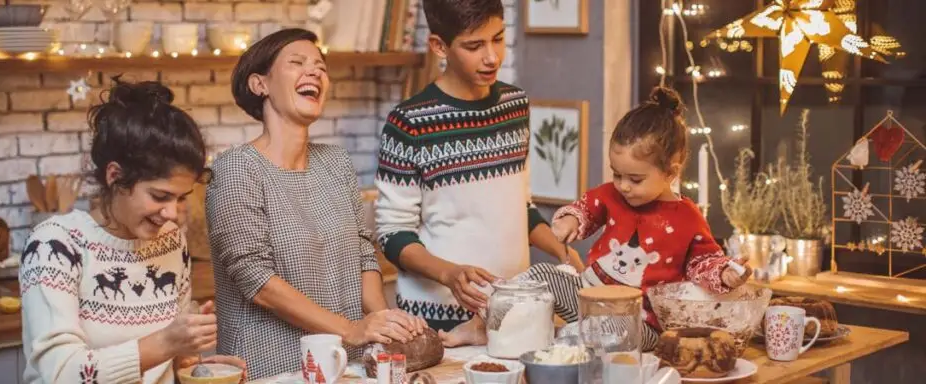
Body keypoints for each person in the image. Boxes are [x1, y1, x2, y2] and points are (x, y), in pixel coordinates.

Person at [206, 28, 427, 380]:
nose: (315, 72)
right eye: (297, 63)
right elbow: (256, 280)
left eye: (321, 67)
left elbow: (362, 253)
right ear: (259, 84)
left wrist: (382, 325)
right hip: (271, 367)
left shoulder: (336, 163)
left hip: (347, 362)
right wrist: (350, 329)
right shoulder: (235, 169)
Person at [374, 0, 581, 347]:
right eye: (474, 45)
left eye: (498, 39)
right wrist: (450, 274)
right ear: (440, 46)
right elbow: (393, 234)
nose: (492, 57)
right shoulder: (408, 122)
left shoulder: (516, 105)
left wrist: (561, 251)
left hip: (515, 311)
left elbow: (520, 207)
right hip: (437, 319)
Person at [19, 78, 246, 383]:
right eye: (159, 196)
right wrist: (166, 342)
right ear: (115, 176)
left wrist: (200, 370)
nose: (171, 213)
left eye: (180, 198)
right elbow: (60, 373)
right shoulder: (54, 244)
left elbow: (174, 362)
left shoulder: (169, 242)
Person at [537, 86, 753, 350]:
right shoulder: (612, 195)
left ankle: (574, 340)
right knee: (542, 274)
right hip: (588, 297)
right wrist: (570, 219)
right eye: (616, 174)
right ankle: (501, 315)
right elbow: (586, 209)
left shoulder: (687, 218)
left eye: (635, 179)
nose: (623, 186)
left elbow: (704, 261)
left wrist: (724, 273)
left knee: (612, 330)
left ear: (670, 172)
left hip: (640, 322)